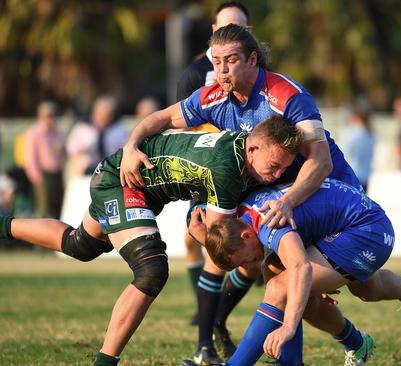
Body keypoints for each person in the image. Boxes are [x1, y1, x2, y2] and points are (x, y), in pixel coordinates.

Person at [0, 116, 302, 366]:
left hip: (131, 181)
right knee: (152, 269)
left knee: (79, 245)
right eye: (273, 166)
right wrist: (263, 264)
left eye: (281, 169)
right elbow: (222, 244)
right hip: (122, 183)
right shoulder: (228, 170)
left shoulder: (242, 145)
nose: (275, 175)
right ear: (253, 147)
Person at [119, 24, 361, 364]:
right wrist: (130, 146)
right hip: (274, 191)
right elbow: (160, 118)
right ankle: (218, 337)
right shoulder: (213, 96)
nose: (221, 70)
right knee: (275, 273)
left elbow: (319, 162)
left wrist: (288, 202)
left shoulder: (288, 96)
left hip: (327, 191)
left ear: (252, 59)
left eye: (230, 60)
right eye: (215, 61)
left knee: (361, 287)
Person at [185, 178, 401, 365]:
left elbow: (300, 267)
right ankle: (353, 344)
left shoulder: (267, 222)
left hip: (368, 230)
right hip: (340, 225)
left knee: (281, 287)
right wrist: (203, 238)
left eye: (247, 259)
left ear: (246, 235)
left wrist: (288, 326)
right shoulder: (241, 214)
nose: (248, 266)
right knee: (287, 278)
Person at [175, 1, 251, 337]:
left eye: (241, 29)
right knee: (201, 239)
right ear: (213, 32)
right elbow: (181, 127)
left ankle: (215, 318)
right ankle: (207, 318)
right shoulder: (193, 76)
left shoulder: (259, 69)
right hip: (210, 172)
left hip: (252, 173)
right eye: (225, 28)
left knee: (256, 255)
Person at [65, 95, 128, 177]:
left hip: (111, 170)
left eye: (107, 115)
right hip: (86, 170)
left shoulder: (119, 129)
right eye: (101, 114)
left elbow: (126, 147)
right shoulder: (82, 128)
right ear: (95, 113)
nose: (103, 118)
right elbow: (71, 150)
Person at [24, 101, 66, 219]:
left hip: (56, 173)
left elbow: (63, 151)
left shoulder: (57, 132)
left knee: (58, 206)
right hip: (43, 175)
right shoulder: (34, 132)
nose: (50, 119)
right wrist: (37, 178)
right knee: (44, 210)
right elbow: (30, 158)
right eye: (48, 116)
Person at [341, 102, 375, 191]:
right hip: (365, 176)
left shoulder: (350, 133)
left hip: (351, 176)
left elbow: (344, 153)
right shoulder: (370, 134)